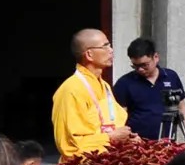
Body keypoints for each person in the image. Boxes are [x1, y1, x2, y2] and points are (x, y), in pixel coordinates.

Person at [52, 29, 131, 158]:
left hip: (109, 161)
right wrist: (110, 137)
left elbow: (113, 123)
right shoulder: (71, 89)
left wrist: (127, 137)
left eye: (110, 45)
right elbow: (70, 144)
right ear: (89, 54)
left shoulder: (104, 85)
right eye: (105, 46)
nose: (111, 50)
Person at [112, 38, 185, 141]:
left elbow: (181, 107)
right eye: (135, 66)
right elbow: (119, 118)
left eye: (144, 65)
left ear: (156, 57)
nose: (140, 69)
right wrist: (127, 138)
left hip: (167, 142)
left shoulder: (171, 76)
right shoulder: (124, 83)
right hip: (137, 144)